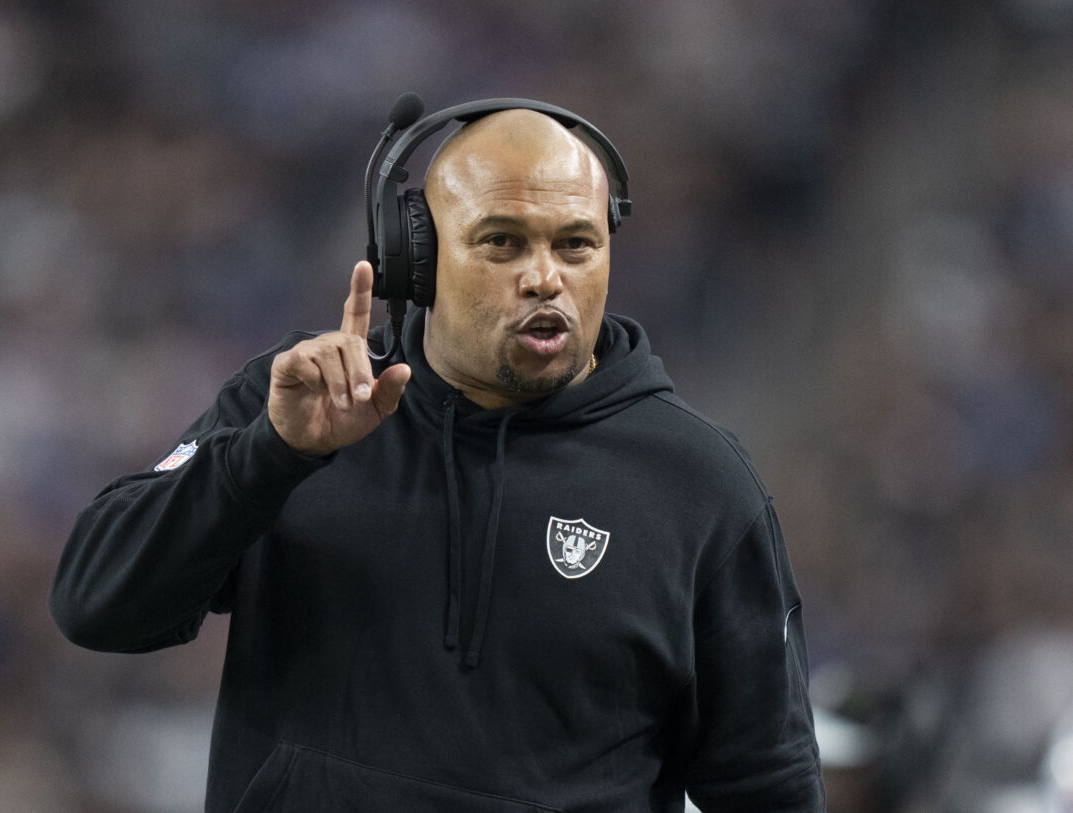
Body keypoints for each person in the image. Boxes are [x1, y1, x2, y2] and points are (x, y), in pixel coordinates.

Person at [50, 104, 825, 812]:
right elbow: (96, 604)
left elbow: (769, 789)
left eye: (576, 244)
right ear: (415, 258)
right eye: (502, 241)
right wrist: (268, 455)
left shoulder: (701, 486)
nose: (545, 276)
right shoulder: (295, 405)